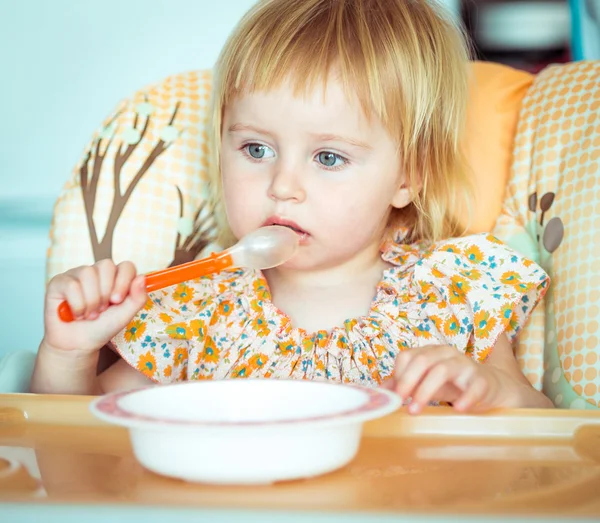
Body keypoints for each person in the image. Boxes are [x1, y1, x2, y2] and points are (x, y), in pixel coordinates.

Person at [31, 0, 553, 412]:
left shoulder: (453, 291)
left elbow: (541, 428)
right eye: (256, 150)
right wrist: (69, 354)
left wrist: (492, 393)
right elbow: (82, 448)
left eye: (328, 157)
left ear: (408, 179)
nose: (282, 185)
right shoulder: (195, 308)